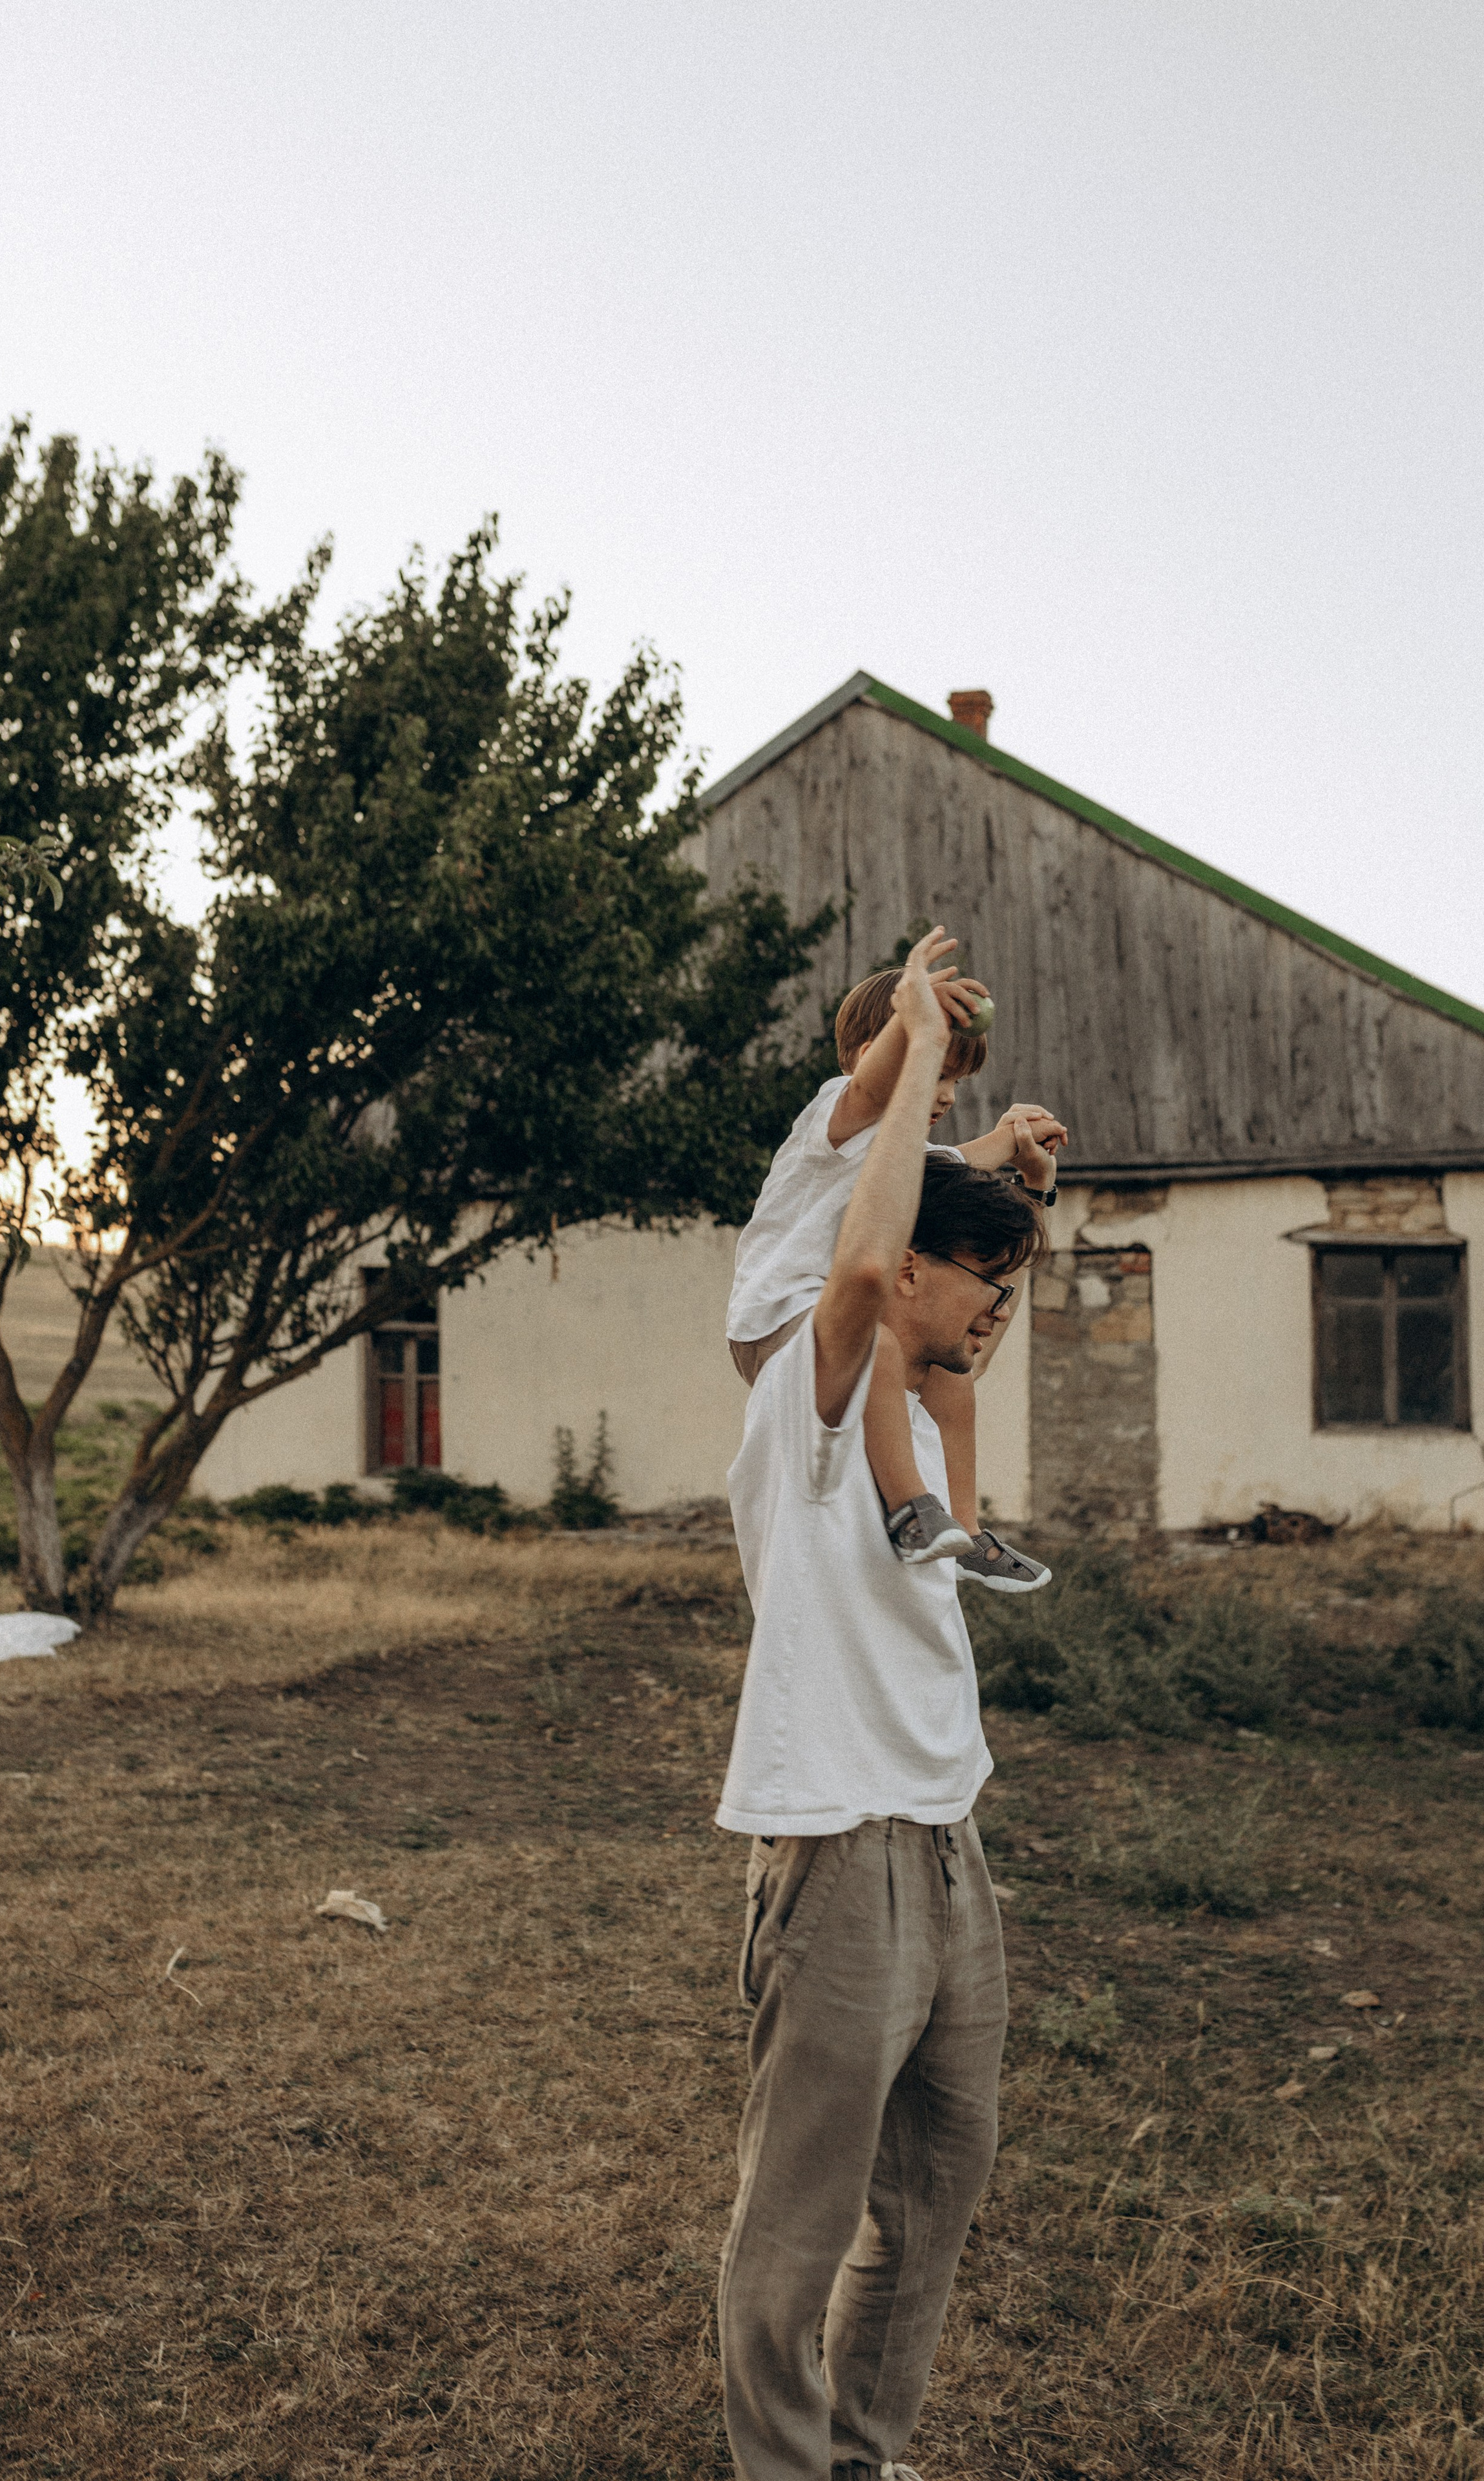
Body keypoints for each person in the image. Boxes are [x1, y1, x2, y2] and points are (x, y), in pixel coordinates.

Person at [715, 933, 1046, 2481]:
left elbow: (943, 1263)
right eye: (973, 1280)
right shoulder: (812, 1385)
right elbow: (858, 1258)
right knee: (798, 2229)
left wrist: (1013, 1179)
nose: (993, 1309)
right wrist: (912, 1029)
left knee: (937, 2184)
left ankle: (861, 2457)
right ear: (904, 1262)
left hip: (942, 1832)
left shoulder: (913, 1386)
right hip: (838, 1842)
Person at [727, 926, 1064, 1587]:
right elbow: (871, 1089)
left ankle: (965, 1529)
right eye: (937, 1073)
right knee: (878, 1344)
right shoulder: (834, 1122)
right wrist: (916, 1021)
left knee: (952, 1375)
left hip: (839, 1325)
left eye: (956, 1081)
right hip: (774, 1322)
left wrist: (1018, 1140)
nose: (946, 1095)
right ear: (870, 1056)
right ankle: (912, 1508)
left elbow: (966, 1161)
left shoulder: (909, 1155)